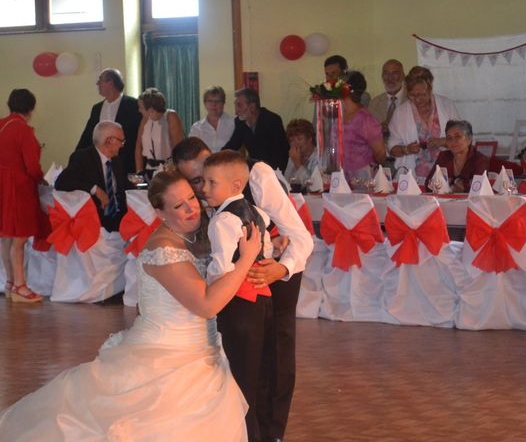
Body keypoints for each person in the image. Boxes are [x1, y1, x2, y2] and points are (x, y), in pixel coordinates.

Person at [0, 170, 262, 441]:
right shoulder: (164, 250)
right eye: (178, 205)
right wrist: (247, 259)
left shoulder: (193, 234)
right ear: (160, 214)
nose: (191, 208)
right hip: (170, 359)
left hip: (198, 351)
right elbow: (207, 305)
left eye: (191, 198)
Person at [172, 137, 312, 442]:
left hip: (278, 271)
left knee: (277, 356)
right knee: (246, 363)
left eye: (204, 179)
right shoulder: (207, 196)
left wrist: (280, 268)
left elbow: (300, 237)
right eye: (194, 181)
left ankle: (272, 433)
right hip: (238, 285)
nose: (201, 189)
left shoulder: (258, 174)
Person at [203, 150, 273, 442]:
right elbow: (267, 252)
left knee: (238, 378)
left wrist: (203, 288)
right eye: (203, 182)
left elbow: (220, 269)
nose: (204, 189)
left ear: (235, 186)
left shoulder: (222, 222)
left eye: (211, 183)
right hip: (262, 299)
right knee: (255, 375)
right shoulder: (259, 214)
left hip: (237, 305)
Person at [0, 89, 45, 303]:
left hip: (2, 185)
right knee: (19, 239)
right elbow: (32, 166)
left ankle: (9, 282)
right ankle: (20, 286)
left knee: (6, 237)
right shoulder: (23, 130)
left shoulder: (2, 124)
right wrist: (41, 179)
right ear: (31, 108)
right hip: (17, 187)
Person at [56, 121, 131, 232]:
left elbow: (122, 188)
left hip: (121, 219)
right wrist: (94, 189)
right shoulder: (82, 157)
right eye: (121, 141)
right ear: (109, 141)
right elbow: (62, 182)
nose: (122, 145)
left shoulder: (117, 160)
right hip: (96, 221)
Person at [388, 70, 460, 181]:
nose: (417, 99)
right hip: (413, 178)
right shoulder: (400, 112)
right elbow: (392, 148)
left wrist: (443, 141)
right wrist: (406, 149)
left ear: (430, 89)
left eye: (422, 95)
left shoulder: (447, 106)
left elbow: (462, 140)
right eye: (412, 95)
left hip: (446, 175)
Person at [76, 68, 142, 174]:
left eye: (100, 80)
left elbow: (138, 137)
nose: (97, 84)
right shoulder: (97, 108)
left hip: (126, 164)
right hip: (100, 165)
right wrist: (76, 158)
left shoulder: (133, 105)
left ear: (110, 82)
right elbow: (88, 135)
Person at [222, 88, 289, 171]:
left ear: (252, 107)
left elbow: (280, 152)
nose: (236, 111)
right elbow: (233, 145)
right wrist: (217, 157)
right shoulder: (240, 122)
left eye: (239, 105)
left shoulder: (272, 120)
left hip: (276, 170)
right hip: (255, 169)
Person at [341, 71, 386, 180]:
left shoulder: (365, 119)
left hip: (362, 176)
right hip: (341, 174)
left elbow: (380, 154)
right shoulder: (337, 115)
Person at [426, 120, 489, 193]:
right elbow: (428, 184)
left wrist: (448, 185)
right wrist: (454, 186)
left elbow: (478, 187)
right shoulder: (444, 156)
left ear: (469, 139)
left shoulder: (481, 160)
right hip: (445, 202)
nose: (453, 141)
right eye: (449, 138)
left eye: (457, 136)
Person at [135, 87, 185, 179]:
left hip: (169, 171)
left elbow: (178, 148)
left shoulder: (170, 116)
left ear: (150, 109)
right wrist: (139, 171)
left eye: (141, 108)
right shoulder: (145, 120)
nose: (139, 110)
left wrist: (171, 169)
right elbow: (138, 146)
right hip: (148, 169)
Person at [189, 85, 236, 152]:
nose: (214, 104)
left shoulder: (234, 123)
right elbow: (192, 151)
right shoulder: (196, 127)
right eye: (210, 101)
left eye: (218, 101)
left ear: (223, 103)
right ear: (205, 103)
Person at [368, 59, 407, 137]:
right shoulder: (374, 103)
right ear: (382, 77)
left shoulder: (412, 99)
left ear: (403, 76)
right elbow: (368, 132)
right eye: (386, 73)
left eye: (394, 73)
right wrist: (379, 129)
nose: (390, 78)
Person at [284, 118, 318, 190]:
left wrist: (298, 164)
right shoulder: (293, 156)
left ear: (310, 138)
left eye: (299, 139)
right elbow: (286, 182)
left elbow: (313, 187)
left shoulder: (318, 157)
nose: (296, 143)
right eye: (292, 140)